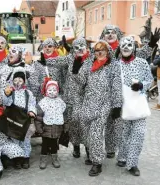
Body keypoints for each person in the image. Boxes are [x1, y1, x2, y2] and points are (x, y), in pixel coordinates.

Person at [76, 40, 122, 176]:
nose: (99, 52)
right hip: (88, 102)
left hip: (104, 104)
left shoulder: (113, 66)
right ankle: (91, 153)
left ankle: (97, 163)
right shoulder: (88, 64)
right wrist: (77, 69)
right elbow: (81, 82)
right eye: (97, 50)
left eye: (102, 49)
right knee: (85, 130)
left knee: (95, 133)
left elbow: (117, 86)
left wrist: (117, 106)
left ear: (108, 51)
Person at [117, 36, 153, 176]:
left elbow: (149, 79)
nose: (126, 47)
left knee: (138, 134)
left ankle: (132, 163)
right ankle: (122, 157)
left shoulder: (142, 63)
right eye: (123, 45)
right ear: (119, 47)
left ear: (134, 47)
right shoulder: (115, 65)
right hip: (122, 106)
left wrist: (142, 85)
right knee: (124, 134)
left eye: (129, 45)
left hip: (138, 105)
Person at [3, 67, 37, 169]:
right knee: (15, 140)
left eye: (20, 80)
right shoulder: (10, 91)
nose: (18, 82)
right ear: (12, 80)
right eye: (16, 80)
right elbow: (6, 103)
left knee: (25, 140)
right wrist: (7, 95)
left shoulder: (28, 93)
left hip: (25, 119)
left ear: (24, 81)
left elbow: (32, 103)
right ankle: (17, 158)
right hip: (14, 119)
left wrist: (32, 111)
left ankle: (26, 157)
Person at [35, 80, 67, 169]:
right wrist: (39, 129)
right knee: (45, 144)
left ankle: (55, 159)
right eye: (50, 90)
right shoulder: (43, 102)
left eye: (54, 90)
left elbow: (64, 115)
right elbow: (38, 117)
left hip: (57, 128)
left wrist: (65, 127)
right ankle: (43, 160)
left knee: (54, 144)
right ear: (46, 90)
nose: (52, 92)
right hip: (46, 128)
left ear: (57, 91)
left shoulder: (60, 102)